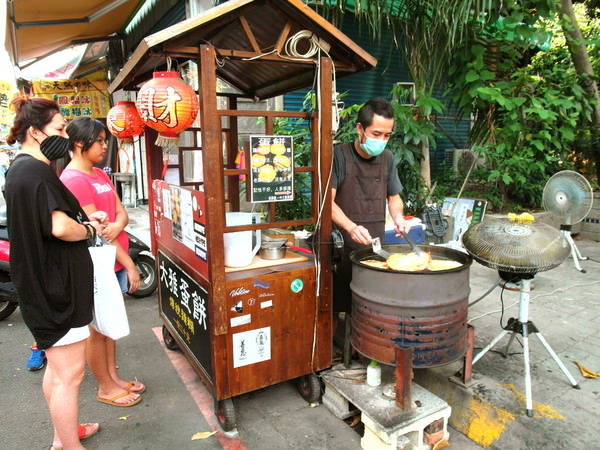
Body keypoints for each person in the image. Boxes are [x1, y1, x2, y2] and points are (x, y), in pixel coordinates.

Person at [5, 95, 104, 449]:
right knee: (70, 375)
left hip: (44, 283)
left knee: (57, 369)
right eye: (60, 128)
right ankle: (67, 446)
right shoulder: (34, 171)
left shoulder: (22, 170)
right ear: (34, 131)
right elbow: (61, 227)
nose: (65, 135)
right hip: (54, 289)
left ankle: (63, 436)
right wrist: (90, 229)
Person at [60, 116, 144, 407]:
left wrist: (117, 226)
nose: (105, 146)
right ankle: (105, 387)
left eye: (106, 141)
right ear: (80, 143)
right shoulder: (73, 180)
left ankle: (113, 378)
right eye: (100, 141)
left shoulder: (99, 174)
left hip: (113, 260)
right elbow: (99, 234)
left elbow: (120, 215)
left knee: (110, 327)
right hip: (97, 263)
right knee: (97, 331)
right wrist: (131, 264)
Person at [331, 98, 411, 323]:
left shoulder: (387, 158)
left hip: (374, 244)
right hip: (342, 242)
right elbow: (326, 202)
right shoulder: (339, 155)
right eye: (376, 134)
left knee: (369, 302)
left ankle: (363, 345)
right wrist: (350, 226)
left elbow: (394, 197)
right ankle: (339, 346)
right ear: (360, 129)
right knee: (338, 301)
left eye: (387, 136)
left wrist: (398, 217)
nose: (381, 141)